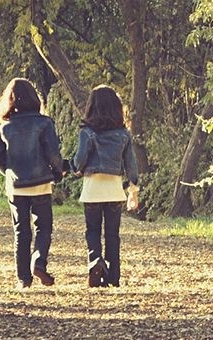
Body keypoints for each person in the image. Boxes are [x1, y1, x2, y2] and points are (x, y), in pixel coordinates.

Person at [0, 78, 65, 288]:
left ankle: (23, 279)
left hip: (16, 186)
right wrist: (58, 172)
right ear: (35, 97)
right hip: (41, 183)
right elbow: (53, 155)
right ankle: (38, 261)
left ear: (9, 100)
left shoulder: (5, 128)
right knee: (43, 227)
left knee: (21, 231)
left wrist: (11, 175)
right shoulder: (44, 123)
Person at [72, 85, 140, 288]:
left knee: (92, 231)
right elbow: (131, 166)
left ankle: (95, 261)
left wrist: (75, 168)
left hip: (92, 189)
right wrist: (133, 192)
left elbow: (79, 160)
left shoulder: (87, 132)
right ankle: (114, 276)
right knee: (112, 234)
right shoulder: (123, 134)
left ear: (92, 107)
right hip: (114, 190)